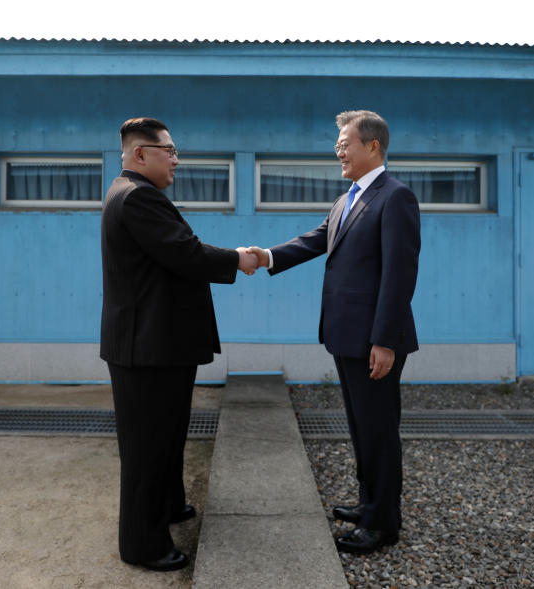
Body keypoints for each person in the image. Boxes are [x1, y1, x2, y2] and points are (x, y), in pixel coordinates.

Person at [247, 110, 421, 554]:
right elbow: (316, 239)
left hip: (374, 340)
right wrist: (266, 255)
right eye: (338, 144)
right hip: (346, 335)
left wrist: (383, 340)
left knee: (379, 429)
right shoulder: (348, 198)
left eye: (346, 143)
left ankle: (383, 524)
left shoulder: (395, 197)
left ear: (373, 147)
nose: (338, 150)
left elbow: (399, 276)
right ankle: (369, 503)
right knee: (361, 427)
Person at [100, 117, 258, 571]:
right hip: (145, 350)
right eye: (166, 150)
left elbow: (177, 251)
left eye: (175, 150)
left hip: (158, 346)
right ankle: (142, 544)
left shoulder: (139, 195)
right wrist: (239, 260)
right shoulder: (136, 198)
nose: (175, 158)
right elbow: (186, 253)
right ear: (139, 154)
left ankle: (169, 506)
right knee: (147, 449)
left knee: (167, 437)